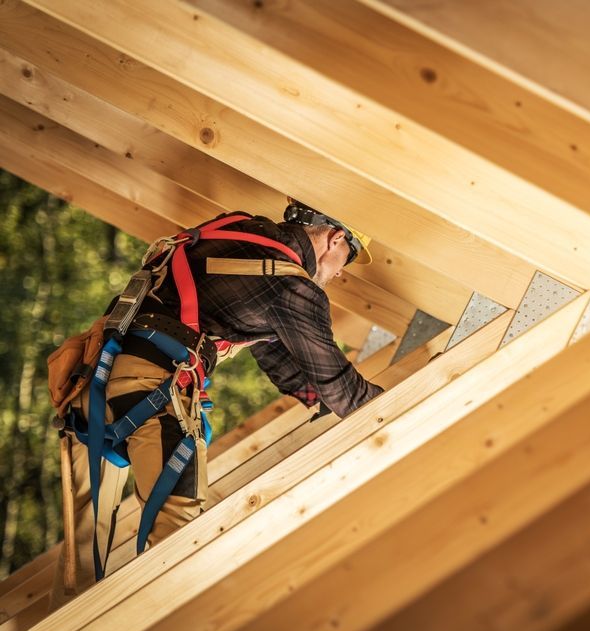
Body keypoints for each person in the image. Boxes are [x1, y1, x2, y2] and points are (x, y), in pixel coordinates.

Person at [48, 200, 383, 608]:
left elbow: (272, 350)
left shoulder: (237, 232)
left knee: (82, 555)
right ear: (335, 238)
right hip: (151, 392)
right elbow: (345, 390)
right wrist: (393, 412)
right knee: (178, 545)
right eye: (348, 258)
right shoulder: (295, 288)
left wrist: (315, 403)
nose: (341, 272)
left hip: (91, 386)